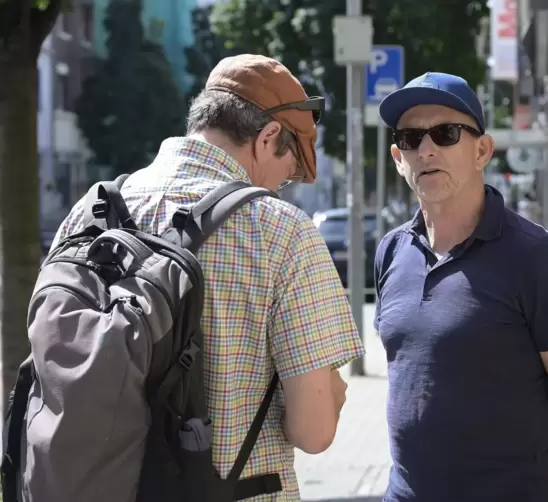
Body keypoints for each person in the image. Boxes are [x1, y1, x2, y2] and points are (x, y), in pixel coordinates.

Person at [52, 54, 365, 501]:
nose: (282, 185)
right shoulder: (282, 231)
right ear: (269, 137)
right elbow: (314, 432)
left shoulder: (90, 212)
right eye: (288, 169)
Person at [373, 72, 548, 502]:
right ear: (397, 157)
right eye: (410, 138)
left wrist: (521, 484)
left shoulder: (535, 257)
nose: (425, 149)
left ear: (481, 150)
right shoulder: (391, 251)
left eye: (445, 134)